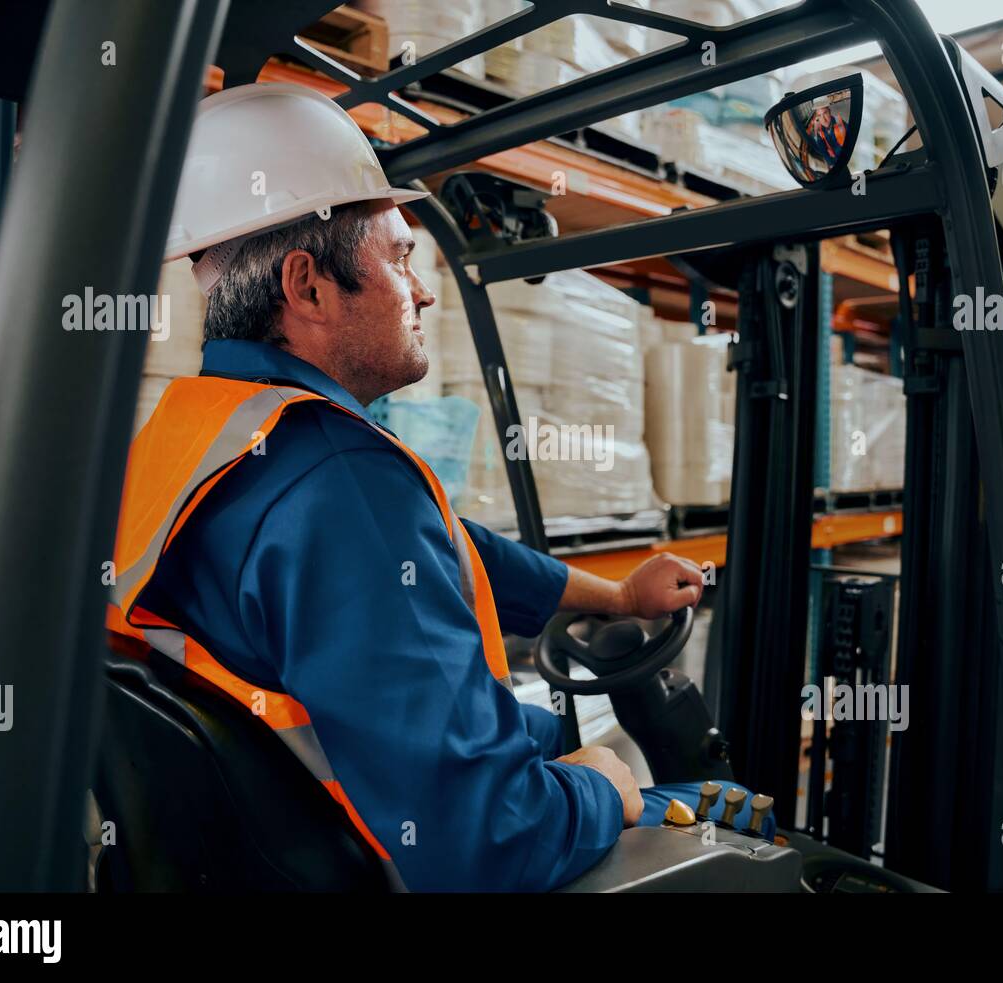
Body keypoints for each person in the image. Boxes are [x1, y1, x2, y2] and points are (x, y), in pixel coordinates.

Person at [106, 82, 753, 892]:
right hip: (382, 865)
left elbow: (448, 548)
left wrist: (617, 599)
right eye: (400, 257)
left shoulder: (201, 436)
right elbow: (489, 843)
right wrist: (603, 784)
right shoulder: (341, 485)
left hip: (270, 845)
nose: (423, 290)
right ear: (308, 288)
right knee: (718, 832)